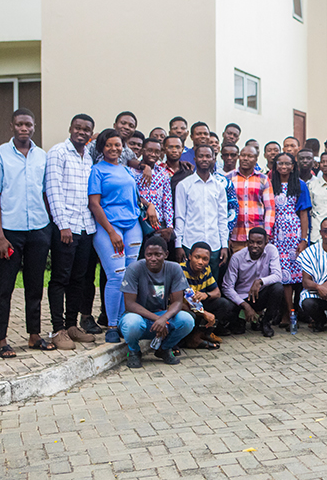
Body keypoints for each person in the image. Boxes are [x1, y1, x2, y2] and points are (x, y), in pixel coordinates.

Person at [0, 109, 55, 357]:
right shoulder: (0, 155)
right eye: (19, 124)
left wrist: (50, 226)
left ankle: (34, 335)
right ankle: (1, 339)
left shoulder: (42, 156)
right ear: (12, 126)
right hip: (10, 231)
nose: (24, 128)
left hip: (38, 228)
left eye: (28, 124)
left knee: (35, 285)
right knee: (5, 287)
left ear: (34, 126)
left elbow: (47, 192)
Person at [88, 129, 153, 343]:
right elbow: (94, 203)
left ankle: (127, 321)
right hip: (109, 228)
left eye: (118, 145)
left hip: (132, 226)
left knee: (130, 276)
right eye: (109, 145)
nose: (114, 149)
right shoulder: (97, 171)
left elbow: (133, 195)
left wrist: (148, 204)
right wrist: (111, 232)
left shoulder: (125, 170)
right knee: (116, 276)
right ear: (101, 148)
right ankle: (112, 325)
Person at [44, 114, 97, 349]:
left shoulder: (88, 157)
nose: (82, 132)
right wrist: (62, 224)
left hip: (87, 227)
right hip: (66, 228)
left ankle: (72, 325)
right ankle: (58, 329)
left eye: (87, 129)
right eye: (78, 128)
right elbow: (52, 189)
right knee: (60, 278)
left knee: (79, 278)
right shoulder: (58, 152)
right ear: (70, 128)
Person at [118, 235, 195, 368]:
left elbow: (177, 302)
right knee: (131, 324)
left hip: (161, 316)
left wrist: (163, 318)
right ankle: (134, 351)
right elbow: (129, 304)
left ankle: (164, 349)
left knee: (187, 320)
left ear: (166, 254)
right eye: (149, 255)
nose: (153, 258)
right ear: (144, 254)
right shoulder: (134, 269)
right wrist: (157, 319)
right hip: (138, 317)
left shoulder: (174, 268)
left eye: (158, 254)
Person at [269, 152, 312, 324]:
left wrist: (303, 239)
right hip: (275, 233)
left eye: (288, 164)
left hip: (293, 233)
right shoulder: (270, 184)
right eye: (280, 163)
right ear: (275, 165)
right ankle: (286, 312)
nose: (284, 167)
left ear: (294, 166)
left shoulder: (300, 185)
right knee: (282, 276)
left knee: (295, 275)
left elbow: (303, 214)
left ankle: (295, 310)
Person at [174, 145, 228, 271]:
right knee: (188, 287)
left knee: (212, 286)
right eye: (201, 156)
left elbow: (222, 218)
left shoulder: (219, 187)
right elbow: (180, 216)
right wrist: (178, 245)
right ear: (195, 159)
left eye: (208, 156)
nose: (205, 159)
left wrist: (224, 245)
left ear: (213, 159)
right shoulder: (184, 185)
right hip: (189, 244)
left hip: (214, 245)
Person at [221, 227, 284, 337]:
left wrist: (260, 282)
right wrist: (245, 305)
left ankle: (265, 322)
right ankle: (240, 320)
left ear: (266, 242)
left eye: (259, 243)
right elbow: (227, 287)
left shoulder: (271, 250)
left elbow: (278, 276)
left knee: (278, 288)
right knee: (237, 328)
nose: (255, 246)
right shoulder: (237, 257)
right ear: (247, 242)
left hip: (259, 295)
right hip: (241, 299)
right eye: (251, 242)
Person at [178, 242, 233, 348]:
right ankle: (187, 339)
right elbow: (179, 303)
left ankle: (199, 336)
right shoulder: (180, 270)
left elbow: (217, 292)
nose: (200, 262)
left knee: (224, 304)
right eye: (197, 257)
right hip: (183, 308)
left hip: (198, 306)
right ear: (189, 256)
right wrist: (204, 313)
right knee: (190, 314)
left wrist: (206, 295)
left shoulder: (206, 270)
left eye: (205, 259)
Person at [229, 145, 275, 252]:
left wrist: (267, 232)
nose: (245, 158)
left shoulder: (263, 179)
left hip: (257, 237)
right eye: (243, 155)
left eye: (250, 156)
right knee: (236, 267)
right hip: (235, 236)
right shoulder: (229, 178)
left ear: (256, 159)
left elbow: (270, 208)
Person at [135, 137, 175, 249]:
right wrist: (148, 204)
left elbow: (167, 200)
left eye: (157, 152)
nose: (153, 154)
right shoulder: (132, 172)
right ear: (142, 151)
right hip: (139, 221)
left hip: (159, 223)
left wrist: (169, 226)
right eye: (149, 150)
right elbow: (134, 196)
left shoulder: (163, 173)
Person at [157, 135, 194, 206]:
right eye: (170, 147)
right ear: (164, 150)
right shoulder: (158, 171)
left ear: (182, 149)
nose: (174, 150)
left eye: (177, 147)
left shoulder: (188, 171)